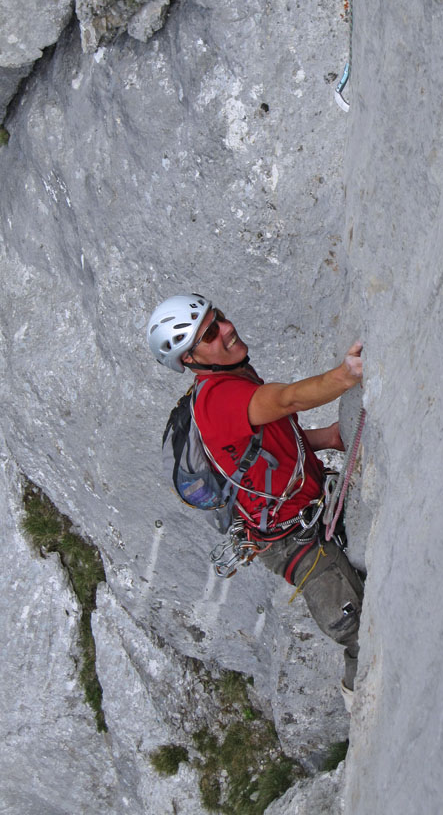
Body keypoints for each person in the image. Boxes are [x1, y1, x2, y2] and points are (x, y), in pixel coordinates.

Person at [147, 293, 364, 708]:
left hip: (310, 505)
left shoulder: (234, 377)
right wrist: (345, 376)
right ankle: (360, 699)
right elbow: (288, 400)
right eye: (211, 332)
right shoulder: (217, 399)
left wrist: (328, 439)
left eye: (220, 318)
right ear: (190, 360)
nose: (227, 328)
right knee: (353, 627)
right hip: (292, 540)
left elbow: (272, 445)